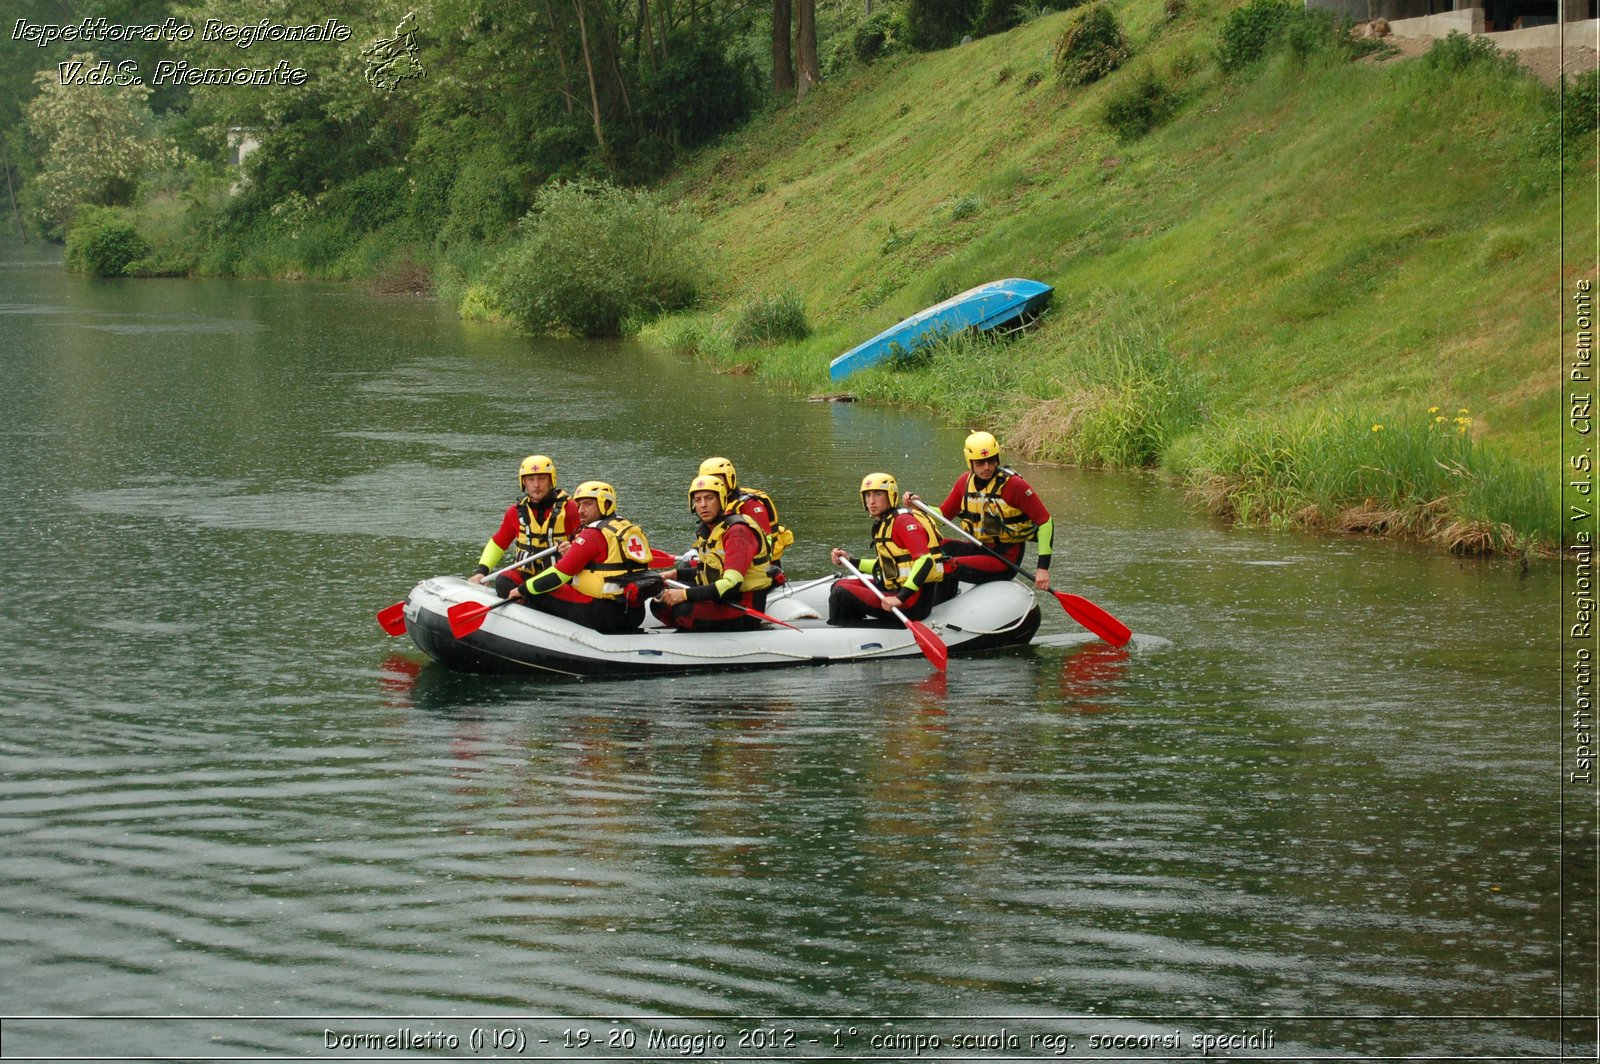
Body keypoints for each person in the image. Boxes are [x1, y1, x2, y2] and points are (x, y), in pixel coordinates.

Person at [905, 430, 1054, 591]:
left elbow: (1045, 522)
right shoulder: (964, 482)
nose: (987, 467)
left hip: (1004, 559)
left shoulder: (1014, 486)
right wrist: (920, 505)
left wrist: (1042, 568)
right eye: (980, 463)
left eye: (991, 461)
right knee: (933, 548)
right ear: (970, 462)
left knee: (948, 564)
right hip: (978, 548)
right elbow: (943, 516)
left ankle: (925, 600)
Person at [507, 481, 660, 634]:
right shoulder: (626, 528)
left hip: (605, 615)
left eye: (588, 504)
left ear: (606, 504)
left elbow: (558, 575)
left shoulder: (592, 534)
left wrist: (523, 589)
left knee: (541, 590)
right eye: (579, 505)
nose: (580, 510)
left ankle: (536, 633)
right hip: (635, 613)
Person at [652, 474, 773, 632]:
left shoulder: (738, 532)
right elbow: (710, 571)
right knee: (659, 604)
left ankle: (691, 634)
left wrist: (685, 595)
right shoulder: (710, 530)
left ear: (722, 500)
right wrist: (675, 574)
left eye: (709, 498)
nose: (703, 505)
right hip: (723, 601)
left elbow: (731, 584)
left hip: (742, 608)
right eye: (698, 500)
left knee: (682, 610)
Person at [828, 472, 946, 625]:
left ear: (891, 495)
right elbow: (885, 566)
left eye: (878, 494)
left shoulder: (902, 522)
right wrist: (851, 561)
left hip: (912, 602)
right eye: (867, 495)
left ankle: (842, 637)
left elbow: (925, 561)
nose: (871, 501)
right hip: (894, 590)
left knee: (840, 594)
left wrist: (899, 598)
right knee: (838, 585)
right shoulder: (885, 522)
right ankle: (854, 628)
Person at [469, 455, 580, 597]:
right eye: (531, 479)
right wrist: (481, 572)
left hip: (558, 576)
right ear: (524, 482)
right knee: (503, 581)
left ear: (551, 480)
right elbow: (498, 543)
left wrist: (572, 549)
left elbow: (585, 543)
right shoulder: (514, 512)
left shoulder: (571, 509)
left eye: (541, 478)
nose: (536, 485)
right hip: (526, 574)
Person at [696, 456, 794, 565]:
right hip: (722, 564)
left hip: (759, 571)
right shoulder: (710, 505)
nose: (713, 484)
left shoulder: (751, 506)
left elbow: (765, 546)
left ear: (730, 478)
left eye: (718, 480)